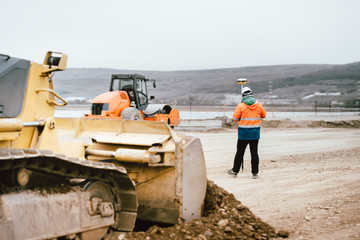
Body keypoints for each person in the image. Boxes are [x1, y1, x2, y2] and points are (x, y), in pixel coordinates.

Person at [227, 86, 266, 179]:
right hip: (255, 133)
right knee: (254, 153)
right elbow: (263, 115)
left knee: (240, 152)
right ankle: (255, 173)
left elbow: (235, 119)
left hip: (243, 134)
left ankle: (235, 171)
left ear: (243, 95)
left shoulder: (241, 106)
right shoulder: (259, 105)